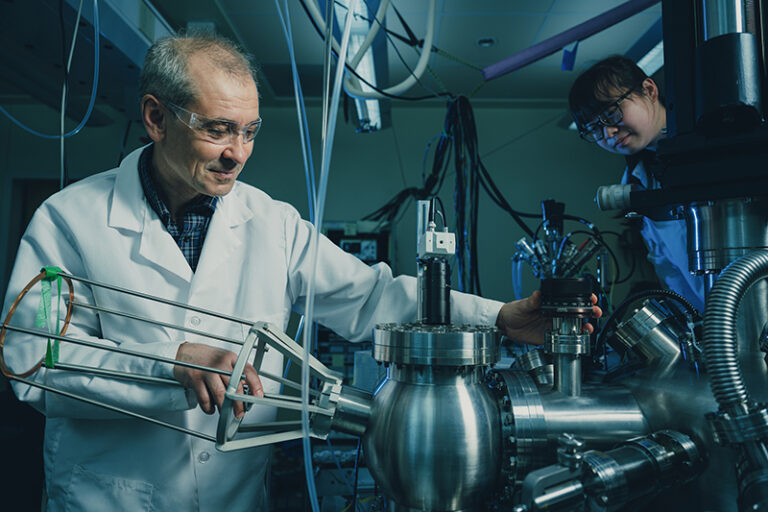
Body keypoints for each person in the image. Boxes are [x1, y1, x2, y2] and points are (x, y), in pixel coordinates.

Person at [1, 33, 599, 511]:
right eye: (217, 130)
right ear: (156, 119)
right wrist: (168, 363)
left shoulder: (271, 221)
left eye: (249, 131)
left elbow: (373, 299)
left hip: (234, 495)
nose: (238, 153)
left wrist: (499, 317)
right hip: (108, 496)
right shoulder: (69, 219)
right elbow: (30, 360)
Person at [568, 55, 706, 313]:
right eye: (594, 128)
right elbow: (668, 267)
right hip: (714, 327)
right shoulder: (637, 180)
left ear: (649, 90)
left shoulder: (710, 143)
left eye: (611, 113)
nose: (608, 133)